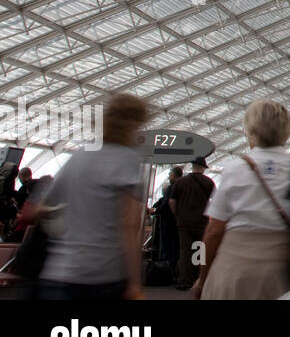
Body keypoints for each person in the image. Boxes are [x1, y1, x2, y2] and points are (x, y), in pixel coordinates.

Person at [194, 99, 290, 300]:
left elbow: (213, 230)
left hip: (232, 271)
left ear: (250, 131)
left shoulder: (235, 168)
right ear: (286, 133)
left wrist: (202, 278)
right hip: (278, 274)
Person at [36, 93, 150, 301]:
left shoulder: (80, 155)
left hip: (59, 273)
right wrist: (134, 283)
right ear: (134, 125)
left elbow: (42, 207)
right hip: (102, 275)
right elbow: (129, 225)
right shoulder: (127, 159)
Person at [170, 157, 216, 289]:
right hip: (201, 222)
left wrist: (178, 215)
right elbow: (215, 202)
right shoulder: (209, 182)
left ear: (192, 166)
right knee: (199, 250)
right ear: (202, 168)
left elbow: (172, 202)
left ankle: (184, 280)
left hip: (183, 223)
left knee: (185, 251)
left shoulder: (180, 182)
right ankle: (198, 278)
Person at [149, 165, 183, 281]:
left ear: (174, 175)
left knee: (168, 248)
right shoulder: (183, 187)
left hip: (168, 223)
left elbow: (166, 206)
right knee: (177, 248)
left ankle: (168, 273)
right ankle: (178, 273)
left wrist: (155, 211)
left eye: (170, 175)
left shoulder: (172, 187)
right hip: (179, 223)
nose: (169, 177)